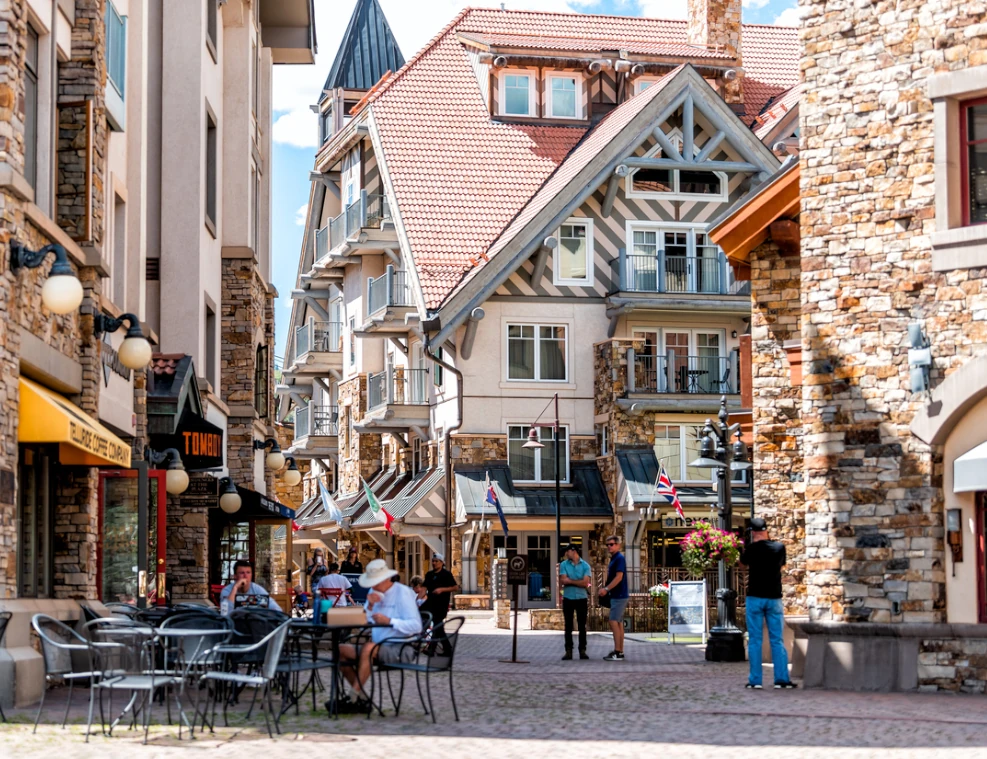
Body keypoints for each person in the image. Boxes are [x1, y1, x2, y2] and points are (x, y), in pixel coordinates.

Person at [334, 559, 422, 709]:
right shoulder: (374, 593)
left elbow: (416, 626)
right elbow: (367, 621)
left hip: (401, 647)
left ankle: (352, 697)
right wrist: (370, 606)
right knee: (340, 650)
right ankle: (361, 698)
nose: (373, 586)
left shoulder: (402, 593)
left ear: (386, 579)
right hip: (378, 646)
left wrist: (390, 621)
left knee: (368, 648)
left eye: (376, 582)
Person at [741, 517, 796, 689]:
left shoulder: (750, 549)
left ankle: (755, 681)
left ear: (752, 532)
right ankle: (781, 679)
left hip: (755, 597)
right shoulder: (779, 548)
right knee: (777, 640)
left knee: (755, 640)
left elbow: (742, 565)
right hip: (774, 597)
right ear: (766, 530)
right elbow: (780, 567)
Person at [558, 543, 592, 660]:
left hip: (581, 598)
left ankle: (582, 650)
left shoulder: (586, 566)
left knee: (582, 625)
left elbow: (586, 583)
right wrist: (579, 582)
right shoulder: (563, 565)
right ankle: (568, 651)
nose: (566, 553)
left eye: (568, 551)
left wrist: (571, 581)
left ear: (573, 551)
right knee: (568, 625)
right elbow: (563, 580)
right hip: (568, 598)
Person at [598, 535, 628, 661]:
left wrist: (606, 589)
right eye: (608, 545)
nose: (609, 547)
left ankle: (617, 651)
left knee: (613, 621)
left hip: (619, 594)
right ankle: (619, 651)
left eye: (612, 544)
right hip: (617, 594)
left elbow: (619, 577)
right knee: (619, 622)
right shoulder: (615, 558)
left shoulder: (619, 558)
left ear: (618, 545)